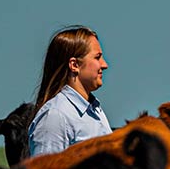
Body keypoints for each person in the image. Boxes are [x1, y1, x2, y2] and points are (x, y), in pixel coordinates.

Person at [27, 26, 112, 156]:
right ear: (74, 65)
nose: (104, 65)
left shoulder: (96, 111)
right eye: (97, 57)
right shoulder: (55, 116)